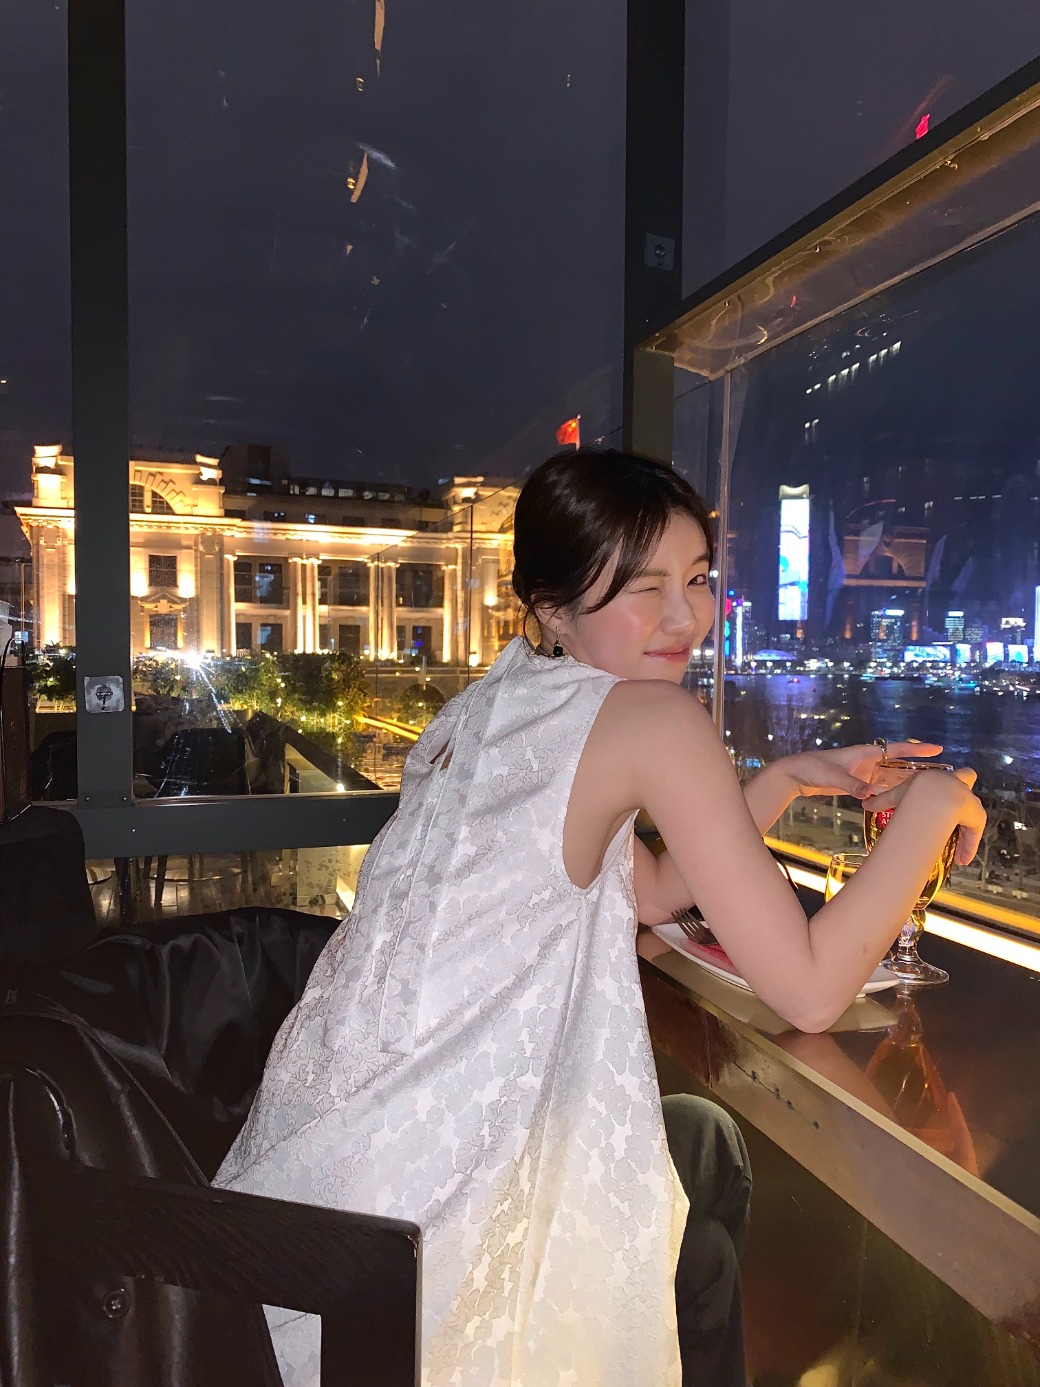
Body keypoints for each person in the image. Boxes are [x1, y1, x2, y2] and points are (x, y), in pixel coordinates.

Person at [215, 449, 985, 1387]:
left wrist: (786, 777)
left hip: (323, 1181)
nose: (685, 616)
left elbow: (646, 889)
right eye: (642, 588)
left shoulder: (483, 709)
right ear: (551, 607)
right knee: (692, 1202)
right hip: (441, 1211)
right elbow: (814, 990)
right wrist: (933, 803)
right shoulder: (648, 719)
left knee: (695, 1177)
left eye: (697, 579)